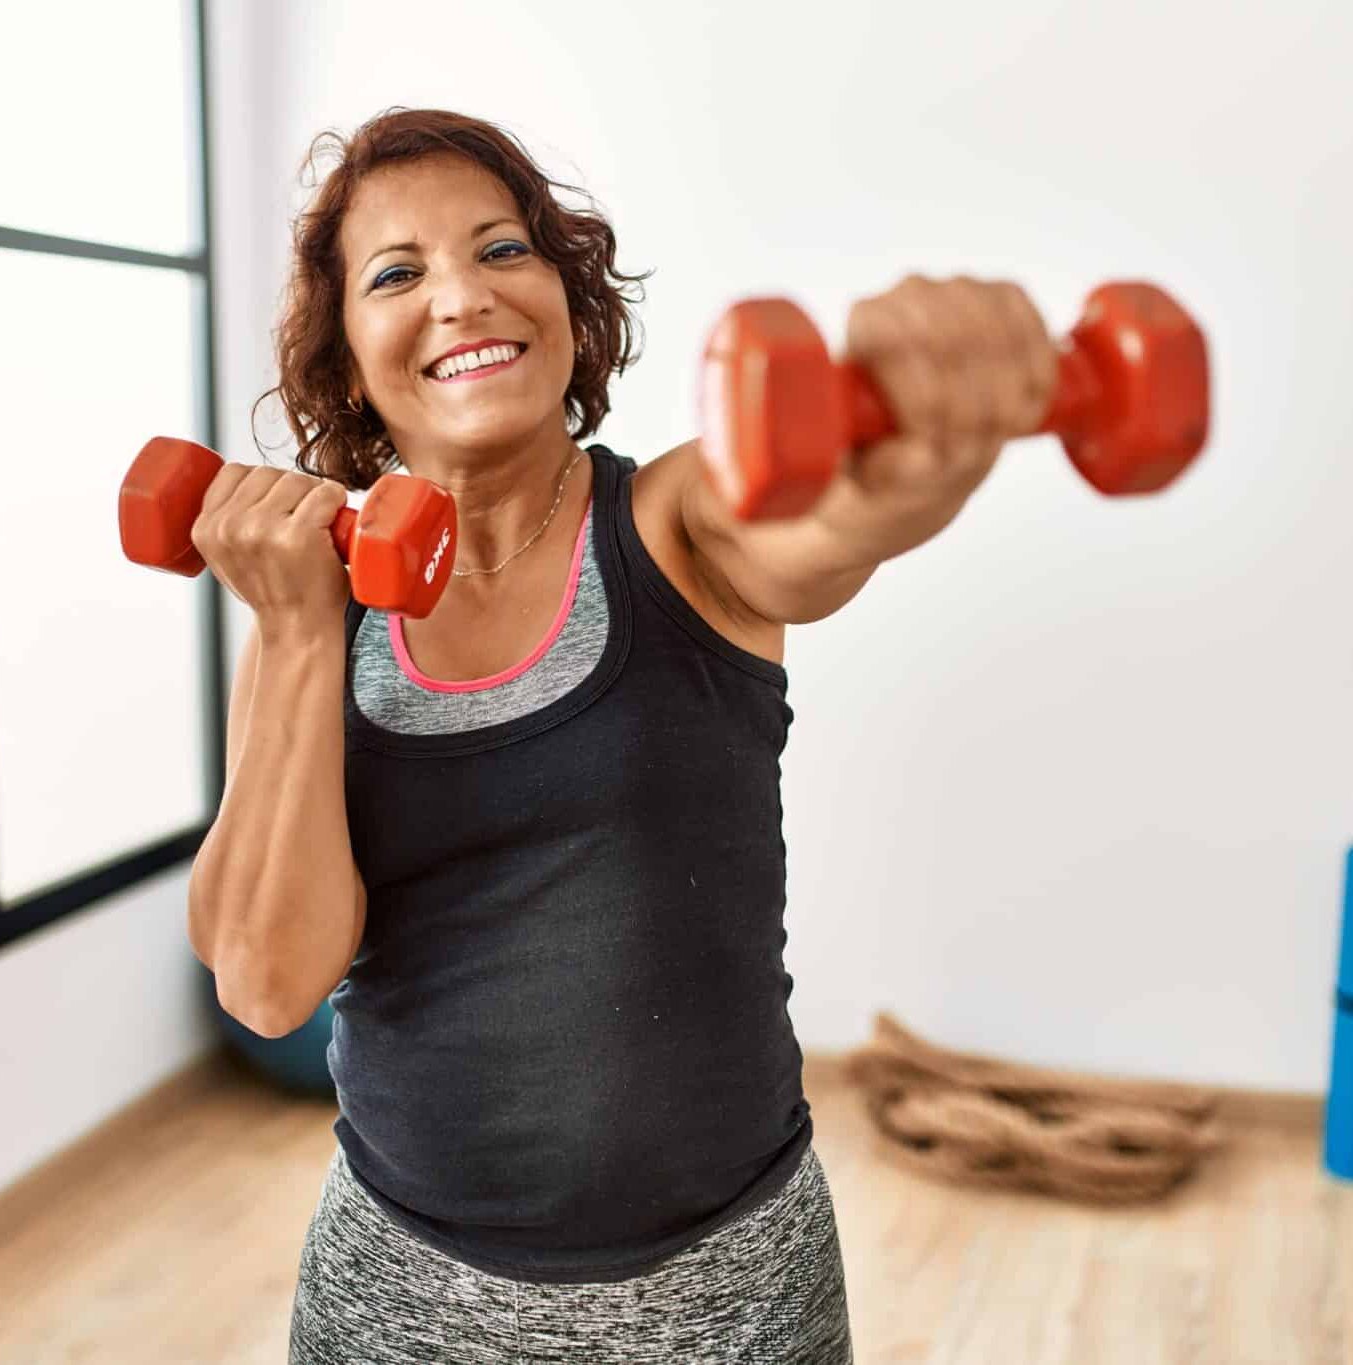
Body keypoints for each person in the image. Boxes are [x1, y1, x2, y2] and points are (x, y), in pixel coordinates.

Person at [186, 106, 1058, 1365]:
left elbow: (831, 515)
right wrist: (299, 631)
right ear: (351, 362)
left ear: (566, 296)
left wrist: (925, 441)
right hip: (404, 1304)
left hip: (729, 1300)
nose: (463, 297)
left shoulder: (675, 522)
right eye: (398, 273)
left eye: (503, 249)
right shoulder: (312, 611)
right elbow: (267, 986)